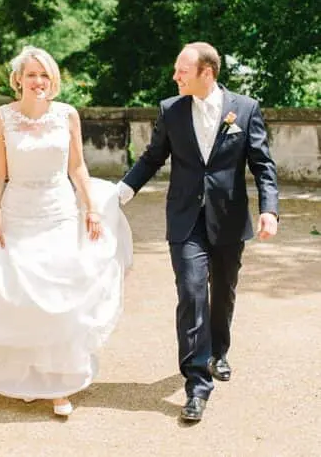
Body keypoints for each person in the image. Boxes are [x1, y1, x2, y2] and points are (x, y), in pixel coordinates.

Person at [0, 46, 133, 417]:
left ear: (52, 79)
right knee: (23, 297)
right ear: (19, 80)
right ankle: (28, 377)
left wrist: (90, 208)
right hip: (19, 214)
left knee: (58, 296)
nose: (38, 81)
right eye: (31, 75)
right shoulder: (1, 118)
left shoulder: (66, 115)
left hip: (58, 212)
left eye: (44, 75)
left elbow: (77, 168)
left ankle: (59, 385)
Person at [118, 41, 278, 422]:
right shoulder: (170, 110)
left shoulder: (245, 109)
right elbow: (152, 156)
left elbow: (263, 165)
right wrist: (120, 192)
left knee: (222, 291)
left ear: (206, 73)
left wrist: (269, 210)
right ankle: (196, 384)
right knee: (191, 292)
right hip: (185, 219)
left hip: (228, 219)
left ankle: (219, 351)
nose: (175, 77)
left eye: (182, 71)